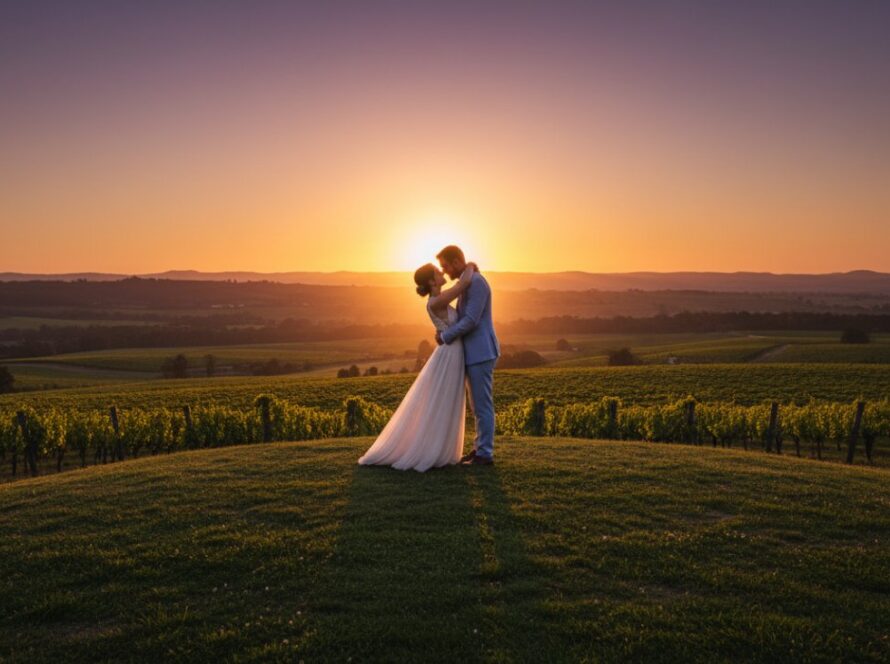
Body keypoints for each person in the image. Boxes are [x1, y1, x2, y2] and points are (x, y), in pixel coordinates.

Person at [357, 259, 478, 471]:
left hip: (452, 351)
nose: (442, 271)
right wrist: (470, 266)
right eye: (436, 272)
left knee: (447, 399)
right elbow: (462, 285)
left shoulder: (437, 298)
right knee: (443, 399)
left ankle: (441, 448)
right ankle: (432, 449)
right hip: (449, 354)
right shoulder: (435, 301)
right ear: (432, 281)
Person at [435, 245, 500, 466]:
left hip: (481, 352)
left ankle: (485, 454)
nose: (443, 271)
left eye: (445, 266)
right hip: (474, 353)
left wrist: (446, 337)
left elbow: (471, 320)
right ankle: (479, 449)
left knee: (482, 405)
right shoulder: (466, 282)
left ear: (455, 262)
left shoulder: (477, 283)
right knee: (477, 405)